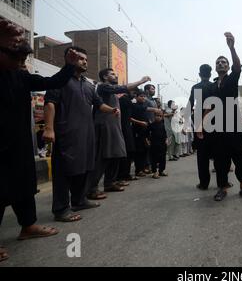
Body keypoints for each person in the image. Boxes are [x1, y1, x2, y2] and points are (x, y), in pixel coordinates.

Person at [0, 19, 82, 262]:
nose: (19, 64)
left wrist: (68, 66)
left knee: (24, 186)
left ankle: (28, 226)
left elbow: (51, 82)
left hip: (19, 142)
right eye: (14, 57)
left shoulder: (21, 76)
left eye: (22, 60)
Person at [44, 47, 121, 222]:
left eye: (85, 59)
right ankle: (61, 209)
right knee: (64, 172)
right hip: (66, 133)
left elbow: (99, 104)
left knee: (85, 168)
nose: (84, 61)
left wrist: (112, 110)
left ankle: (79, 200)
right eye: (80, 58)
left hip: (87, 133)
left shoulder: (88, 84)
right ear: (68, 59)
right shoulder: (60, 80)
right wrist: (49, 128)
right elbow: (50, 103)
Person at [203, 33, 242, 202]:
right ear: (215, 67)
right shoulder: (211, 87)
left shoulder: (232, 79)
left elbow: (237, 66)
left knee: (239, 159)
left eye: (224, 62)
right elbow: (208, 107)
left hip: (234, 126)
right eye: (218, 62)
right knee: (220, 161)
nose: (221, 64)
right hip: (217, 128)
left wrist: (231, 48)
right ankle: (222, 188)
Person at [85, 69, 151, 200]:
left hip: (115, 126)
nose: (115, 75)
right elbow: (122, 88)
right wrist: (141, 80)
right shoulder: (103, 87)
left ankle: (110, 182)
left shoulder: (113, 91)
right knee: (103, 156)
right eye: (112, 74)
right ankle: (91, 189)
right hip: (104, 125)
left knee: (116, 154)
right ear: (104, 76)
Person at [188, 64, 215, 190]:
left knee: (202, 156)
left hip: (199, 122)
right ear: (210, 74)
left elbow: (189, 106)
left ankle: (204, 183)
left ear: (199, 74)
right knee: (218, 153)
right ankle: (223, 182)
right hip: (215, 122)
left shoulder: (196, 87)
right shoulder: (214, 86)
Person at [149, 111, 169, 179]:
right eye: (157, 115)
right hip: (154, 144)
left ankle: (161, 171)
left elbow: (165, 133)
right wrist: (147, 141)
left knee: (162, 158)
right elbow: (147, 134)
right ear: (154, 116)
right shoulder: (151, 125)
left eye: (160, 116)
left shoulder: (162, 124)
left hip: (162, 144)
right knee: (154, 159)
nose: (159, 117)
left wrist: (166, 139)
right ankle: (154, 172)